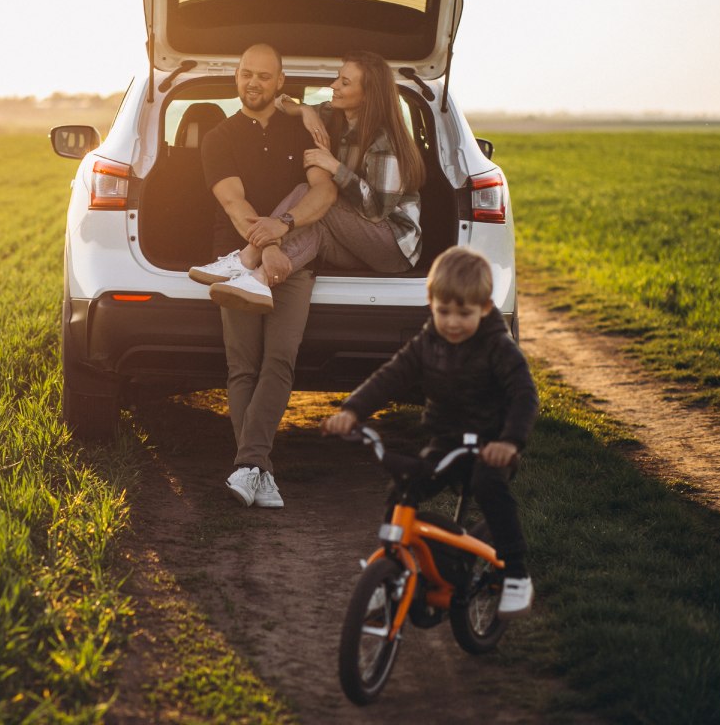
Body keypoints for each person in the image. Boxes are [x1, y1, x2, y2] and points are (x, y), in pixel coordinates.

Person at [320, 246, 539, 617]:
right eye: (444, 312)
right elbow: (391, 375)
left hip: (491, 444)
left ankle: (517, 573)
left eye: (464, 314)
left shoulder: (497, 347)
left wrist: (509, 441)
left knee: (489, 486)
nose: (452, 322)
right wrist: (353, 410)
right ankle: (390, 571)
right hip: (448, 442)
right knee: (404, 486)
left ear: (485, 308)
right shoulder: (428, 343)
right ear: (431, 304)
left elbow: (524, 395)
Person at [190, 43, 338, 509]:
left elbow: (325, 191)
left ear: (280, 82)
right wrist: (267, 247)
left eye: (262, 76)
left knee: (280, 361)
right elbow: (234, 204)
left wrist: (285, 232)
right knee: (243, 366)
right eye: (244, 74)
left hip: (294, 263)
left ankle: (248, 466)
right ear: (237, 78)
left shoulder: (301, 130)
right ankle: (257, 468)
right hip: (237, 260)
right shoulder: (219, 137)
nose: (252, 82)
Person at [191, 50, 425, 312]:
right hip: (355, 239)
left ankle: (247, 256)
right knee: (315, 226)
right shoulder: (332, 114)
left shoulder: (384, 142)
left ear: (368, 95)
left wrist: (335, 168)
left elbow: (377, 211)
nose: (333, 86)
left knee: (309, 192)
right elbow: (280, 102)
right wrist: (303, 110)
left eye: (344, 83)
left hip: (391, 246)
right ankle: (258, 280)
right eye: (337, 78)